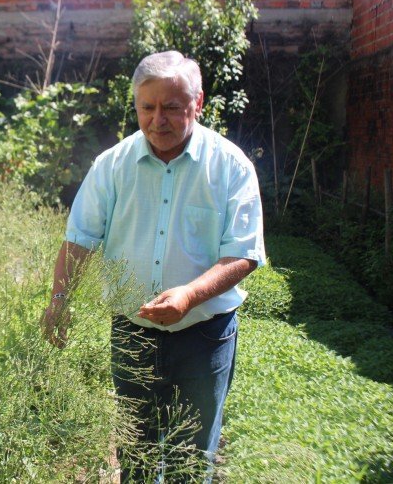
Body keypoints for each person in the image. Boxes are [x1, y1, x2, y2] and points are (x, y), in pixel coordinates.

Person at [41, 51, 266, 482]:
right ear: (137, 105)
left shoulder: (230, 167)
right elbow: (79, 239)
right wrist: (58, 300)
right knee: (137, 451)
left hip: (205, 336)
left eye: (172, 107)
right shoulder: (112, 165)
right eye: (148, 107)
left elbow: (243, 253)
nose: (157, 119)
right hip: (132, 332)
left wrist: (189, 295)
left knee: (191, 455)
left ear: (197, 103)